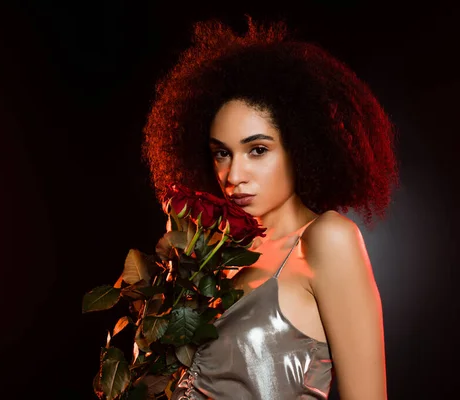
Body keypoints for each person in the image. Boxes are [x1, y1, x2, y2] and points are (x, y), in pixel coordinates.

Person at [140, 15, 399, 400]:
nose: (233, 175)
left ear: (302, 146)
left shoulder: (327, 240)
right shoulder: (209, 254)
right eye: (221, 154)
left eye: (257, 150)